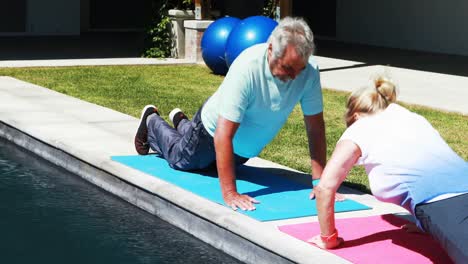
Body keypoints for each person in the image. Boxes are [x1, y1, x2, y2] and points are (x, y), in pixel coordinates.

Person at [134, 17, 327, 211]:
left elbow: (315, 128)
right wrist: (230, 193)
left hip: (242, 149)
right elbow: (223, 134)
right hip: (210, 133)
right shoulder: (248, 67)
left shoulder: (309, 71)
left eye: (299, 69)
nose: (294, 76)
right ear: (270, 50)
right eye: (287, 68)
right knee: (179, 159)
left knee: (209, 169)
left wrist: (320, 183)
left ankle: (182, 122)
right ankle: (151, 120)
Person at [308, 74, 468, 263]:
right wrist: (424, 223)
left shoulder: (360, 127)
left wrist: (329, 239)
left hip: (443, 204)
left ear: (355, 115)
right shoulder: (410, 118)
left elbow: (325, 188)